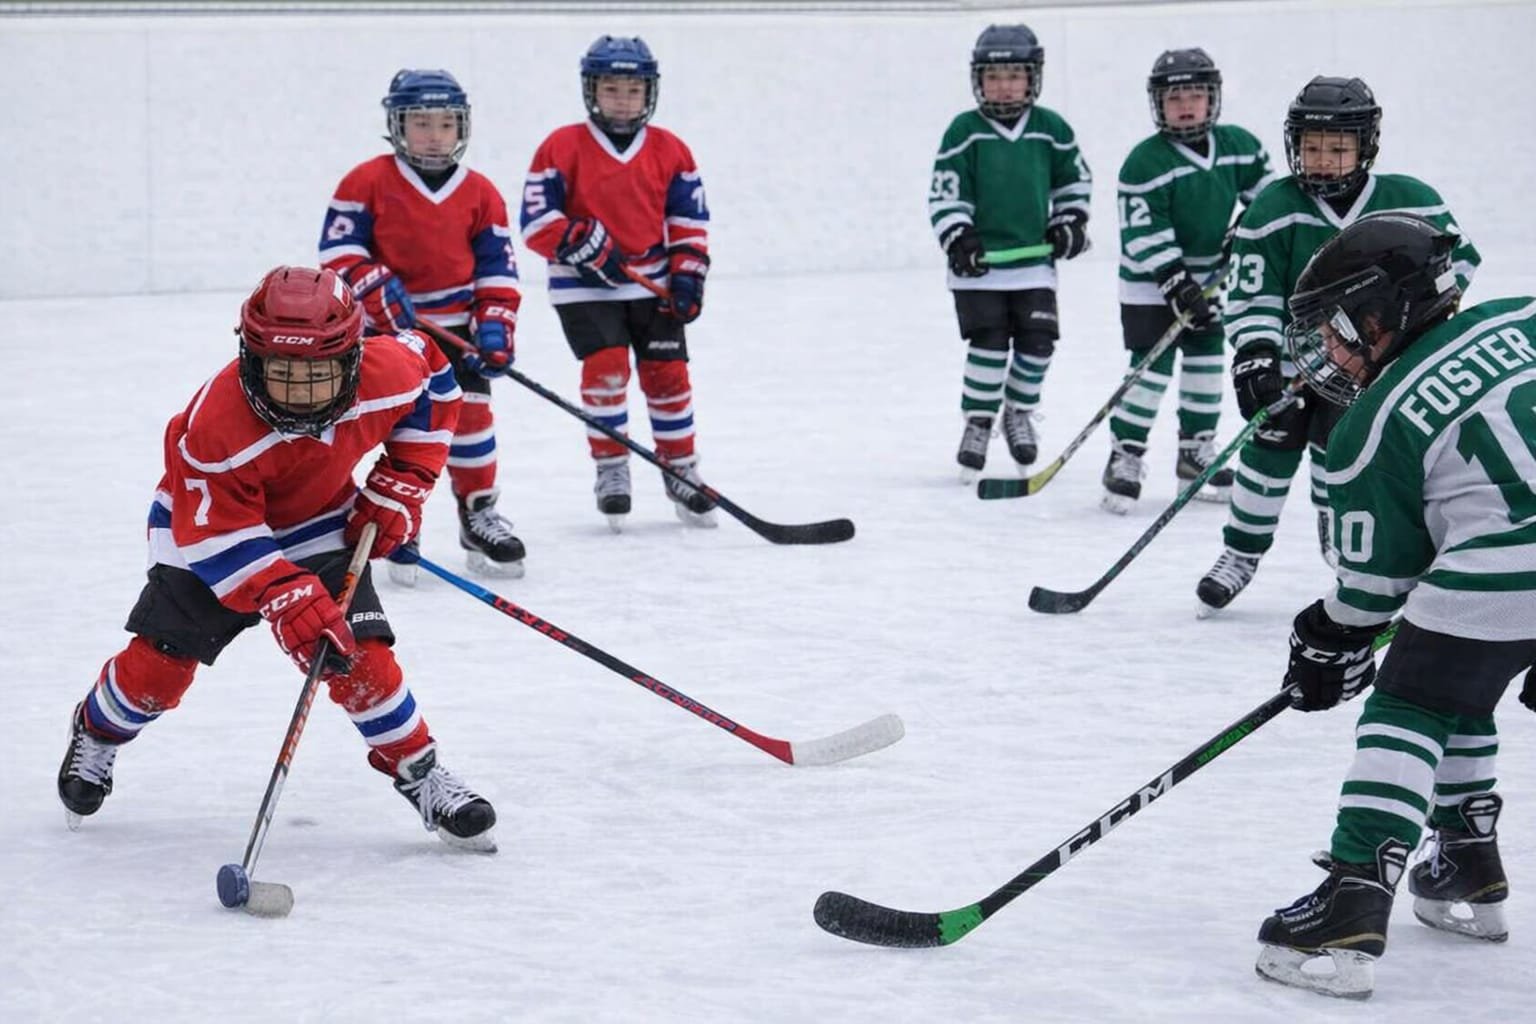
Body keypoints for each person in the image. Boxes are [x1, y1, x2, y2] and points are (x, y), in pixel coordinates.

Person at [56, 267, 497, 851]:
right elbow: (219, 533)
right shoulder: (212, 427)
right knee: (160, 670)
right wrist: (283, 592)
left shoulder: (386, 371)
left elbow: (436, 378)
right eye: (281, 372)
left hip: (316, 522)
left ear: (352, 358)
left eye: (318, 374)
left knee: (358, 657)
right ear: (250, 358)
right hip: (206, 535)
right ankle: (97, 727)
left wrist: (402, 483)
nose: (299, 392)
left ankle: (418, 769)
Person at [1251, 213, 1534, 999]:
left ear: (1387, 311)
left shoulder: (1371, 425)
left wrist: (1326, 637)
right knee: (1459, 681)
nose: (1331, 353)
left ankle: (1352, 896)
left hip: (1510, 569)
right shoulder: (1524, 315)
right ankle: (1464, 863)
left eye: (1341, 329)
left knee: (1411, 701)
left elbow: (1377, 591)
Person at [1196, 75, 1480, 614]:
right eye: (1311, 146)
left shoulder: (1412, 200)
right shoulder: (1273, 207)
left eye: (1337, 147)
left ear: (1365, 145)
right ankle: (1240, 553)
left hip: (1370, 368)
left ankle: (1346, 557)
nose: (1322, 159)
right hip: (1295, 362)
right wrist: (1256, 353)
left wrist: (1413, 322)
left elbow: (1456, 263)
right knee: (1268, 452)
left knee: (1342, 461)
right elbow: (1253, 291)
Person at [320, 68, 526, 581]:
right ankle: (398, 519)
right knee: (399, 426)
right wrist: (369, 285)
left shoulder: (480, 192)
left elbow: (498, 269)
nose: (434, 135)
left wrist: (495, 327)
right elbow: (337, 254)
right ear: (396, 125)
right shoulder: (364, 181)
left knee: (472, 419)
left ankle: (478, 512)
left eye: (445, 124)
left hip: (458, 328)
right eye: (420, 123)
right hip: (387, 338)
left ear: (463, 128)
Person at [519, 35, 716, 531]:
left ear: (649, 91)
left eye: (633, 88)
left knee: (668, 376)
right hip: (582, 287)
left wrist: (688, 274)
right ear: (592, 90)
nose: (622, 99)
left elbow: (688, 220)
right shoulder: (561, 146)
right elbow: (536, 221)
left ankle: (681, 469)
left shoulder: (672, 149)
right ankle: (612, 470)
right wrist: (579, 243)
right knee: (606, 371)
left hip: (651, 282)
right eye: (611, 88)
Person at [1101, 48, 1274, 514]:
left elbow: (1270, 199)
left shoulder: (1240, 146)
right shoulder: (1144, 161)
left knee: (1206, 365)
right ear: (1157, 103)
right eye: (1174, 95)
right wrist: (1176, 281)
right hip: (1149, 283)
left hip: (1212, 281)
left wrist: (1247, 227)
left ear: (1213, 98)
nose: (1186, 104)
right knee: (1150, 369)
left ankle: (1195, 451)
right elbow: (1142, 228)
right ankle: (1126, 452)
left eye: (1196, 94)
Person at [928, 23, 1093, 483]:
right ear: (978, 79)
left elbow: (1074, 182)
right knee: (989, 343)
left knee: (1038, 344)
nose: (1003, 85)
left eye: (1014, 75)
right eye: (993, 75)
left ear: (1033, 77)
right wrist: (959, 236)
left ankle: (1018, 410)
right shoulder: (964, 130)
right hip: (980, 269)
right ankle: (978, 421)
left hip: (1033, 266)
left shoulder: (1051, 129)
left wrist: (1070, 222)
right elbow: (945, 193)